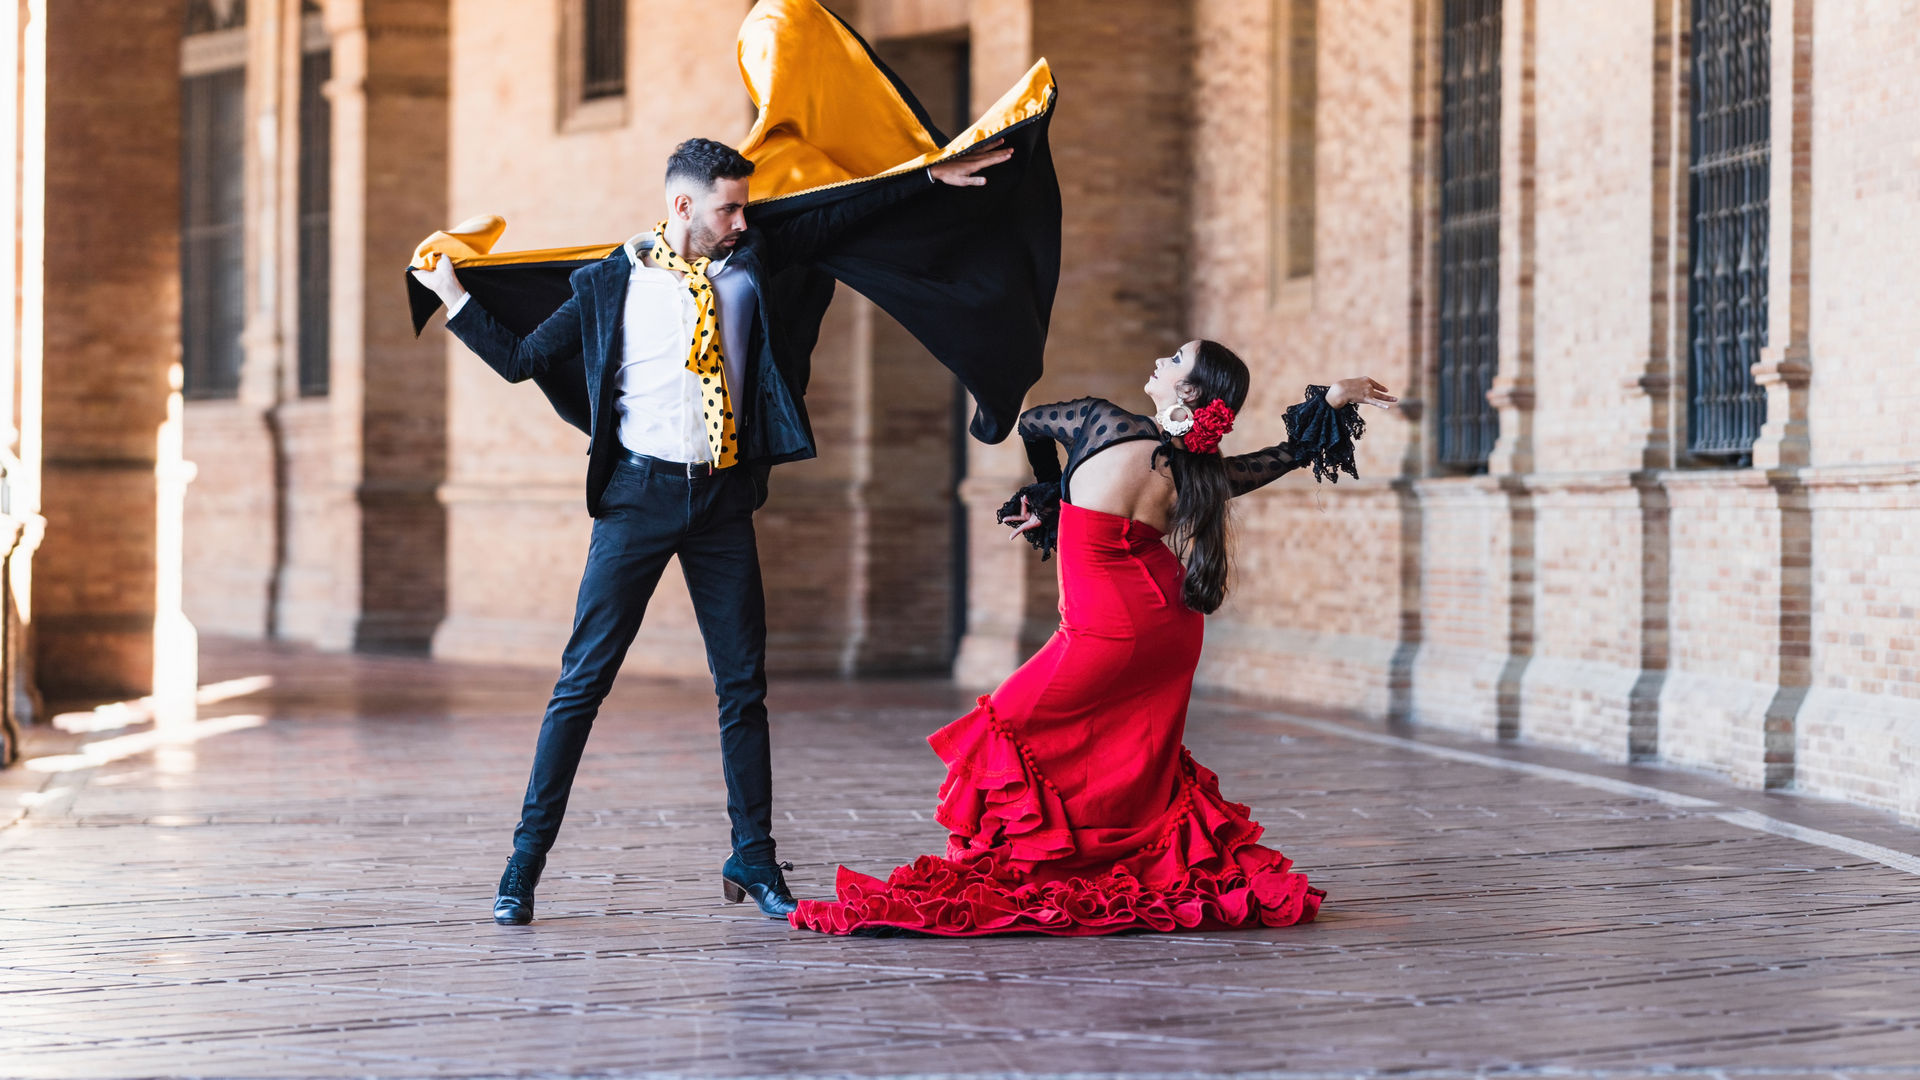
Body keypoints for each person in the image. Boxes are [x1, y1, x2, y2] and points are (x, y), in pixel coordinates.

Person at [410, 136, 1014, 925]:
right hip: (637, 498)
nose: (741, 221)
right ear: (682, 205)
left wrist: (928, 177)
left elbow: (835, 216)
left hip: (722, 501)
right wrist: (453, 296)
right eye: (728, 208)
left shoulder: (750, 261)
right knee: (582, 684)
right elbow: (524, 359)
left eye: (744, 208)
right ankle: (524, 863)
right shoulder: (610, 281)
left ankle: (753, 857)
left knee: (742, 687)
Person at [790, 341, 1397, 936]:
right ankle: (1109, 862)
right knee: (1128, 749)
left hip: (1106, 629)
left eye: (1175, 361)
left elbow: (1029, 424)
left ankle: (1057, 863)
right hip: (1168, 625)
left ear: (1188, 391)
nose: (1159, 360)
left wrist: (1051, 490)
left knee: (1006, 722)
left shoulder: (1101, 421)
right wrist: (1333, 398)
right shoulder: (1197, 468)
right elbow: (1287, 454)